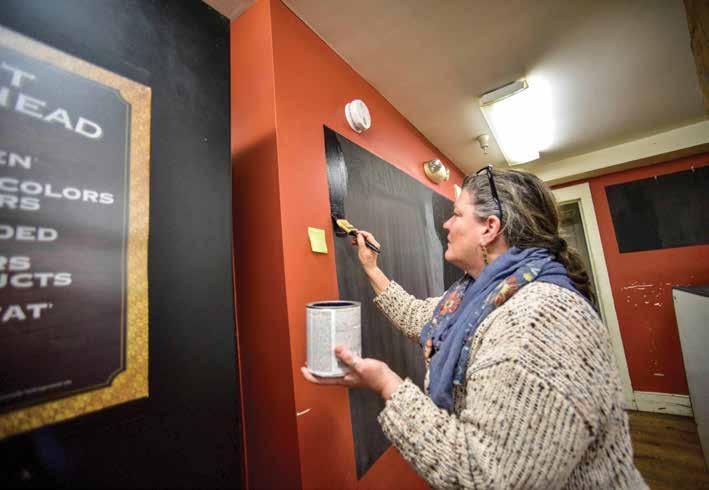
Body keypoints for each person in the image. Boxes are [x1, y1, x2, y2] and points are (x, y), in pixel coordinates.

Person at [301, 167, 646, 489]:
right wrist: (371, 268)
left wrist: (387, 384)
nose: (446, 224)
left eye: (456, 214)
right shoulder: (474, 296)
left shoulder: (540, 319)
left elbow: (487, 476)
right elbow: (416, 315)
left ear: (489, 228)